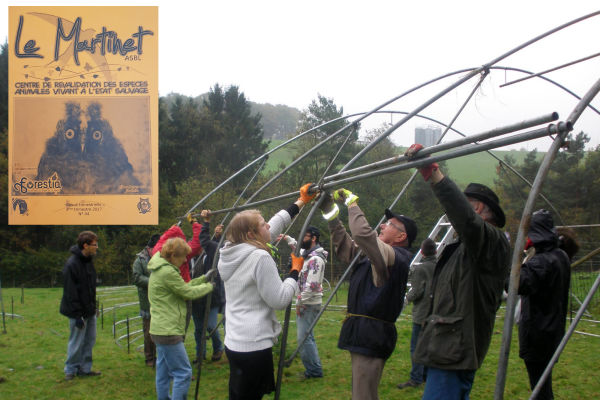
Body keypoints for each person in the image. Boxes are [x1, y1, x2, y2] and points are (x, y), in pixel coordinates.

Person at [405, 143, 511, 400]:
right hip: (446, 347)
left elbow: (465, 219)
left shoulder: (493, 241)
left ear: (475, 209)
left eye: (466, 204)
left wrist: (433, 174)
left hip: (454, 350)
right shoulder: (465, 247)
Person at [217, 183, 314, 400]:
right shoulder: (259, 257)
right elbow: (279, 299)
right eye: (263, 225)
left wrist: (301, 202)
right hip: (254, 345)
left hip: (234, 342)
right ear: (251, 233)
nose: (268, 227)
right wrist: (295, 272)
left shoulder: (231, 251)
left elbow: (275, 223)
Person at [319, 188, 416, 400]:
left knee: (363, 395)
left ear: (401, 236)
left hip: (372, 335)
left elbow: (363, 235)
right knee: (363, 392)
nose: (382, 224)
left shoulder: (396, 258)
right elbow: (346, 246)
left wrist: (352, 204)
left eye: (390, 224)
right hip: (364, 333)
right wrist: (329, 210)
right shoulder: (374, 255)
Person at [148, 237, 214, 400]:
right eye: (183, 256)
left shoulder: (161, 267)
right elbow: (187, 293)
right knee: (183, 373)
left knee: (163, 372)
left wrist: (203, 278)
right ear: (172, 255)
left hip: (158, 329)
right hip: (168, 331)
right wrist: (210, 286)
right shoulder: (167, 271)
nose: (186, 260)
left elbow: (182, 287)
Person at [518, 209, 572, 400]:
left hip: (537, 333)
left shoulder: (540, 262)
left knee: (539, 387)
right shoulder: (560, 256)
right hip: (553, 330)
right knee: (543, 382)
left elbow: (518, 283)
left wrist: (516, 260)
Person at [280, 226, 327, 379]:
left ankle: (314, 371)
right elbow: (297, 247)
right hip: (306, 302)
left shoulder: (315, 259)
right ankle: (314, 368)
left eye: (304, 236)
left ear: (313, 238)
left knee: (304, 338)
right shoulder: (307, 254)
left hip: (309, 303)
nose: (302, 240)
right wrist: (287, 239)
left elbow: (312, 286)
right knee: (308, 336)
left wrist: (300, 302)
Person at [59, 230, 101, 381]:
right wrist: (77, 315)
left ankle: (84, 368)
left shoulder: (89, 261)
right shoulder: (72, 265)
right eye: (94, 245)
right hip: (77, 312)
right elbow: (71, 293)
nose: (97, 247)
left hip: (89, 310)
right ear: (85, 245)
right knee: (76, 342)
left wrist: (93, 306)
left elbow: (90, 287)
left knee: (89, 340)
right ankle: (70, 369)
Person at [152, 215, 203, 335]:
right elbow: (198, 240)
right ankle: (177, 346)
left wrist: (170, 230)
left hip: (165, 294)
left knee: (165, 325)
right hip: (181, 292)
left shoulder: (158, 250)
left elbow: (162, 240)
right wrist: (194, 222)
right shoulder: (181, 253)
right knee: (180, 326)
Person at [397, 238, 436, 389]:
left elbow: (417, 291)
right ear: (436, 251)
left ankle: (415, 378)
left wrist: (405, 300)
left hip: (422, 314)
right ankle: (426, 375)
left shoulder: (421, 269)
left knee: (416, 347)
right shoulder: (440, 266)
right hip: (435, 313)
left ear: (422, 252)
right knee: (429, 346)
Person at [191, 210, 225, 363]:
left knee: (211, 325)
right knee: (198, 329)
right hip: (196, 298)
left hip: (211, 296)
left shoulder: (210, 255)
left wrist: (207, 224)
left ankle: (218, 347)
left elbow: (210, 244)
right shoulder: (189, 259)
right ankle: (200, 354)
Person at [132, 233, 161, 367]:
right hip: (147, 302)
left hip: (159, 301)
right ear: (150, 248)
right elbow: (137, 278)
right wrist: (153, 282)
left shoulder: (160, 257)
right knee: (148, 332)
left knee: (159, 332)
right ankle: (149, 357)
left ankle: (159, 356)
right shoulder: (140, 260)